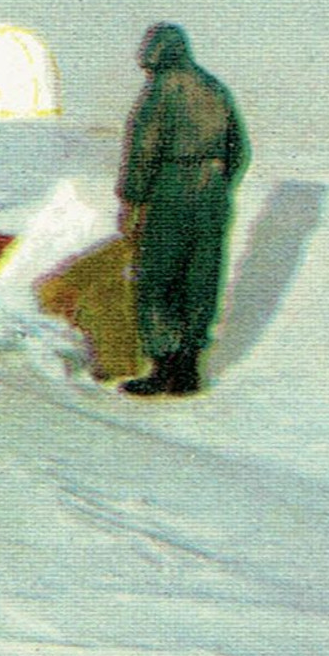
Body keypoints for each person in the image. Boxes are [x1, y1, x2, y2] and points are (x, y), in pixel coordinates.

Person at [116, 22, 248, 396]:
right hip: (213, 194)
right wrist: (218, 185)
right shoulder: (216, 88)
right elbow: (240, 151)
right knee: (200, 278)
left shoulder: (161, 89)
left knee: (158, 277)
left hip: (171, 191)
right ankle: (189, 370)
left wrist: (132, 200)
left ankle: (163, 367)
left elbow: (143, 148)